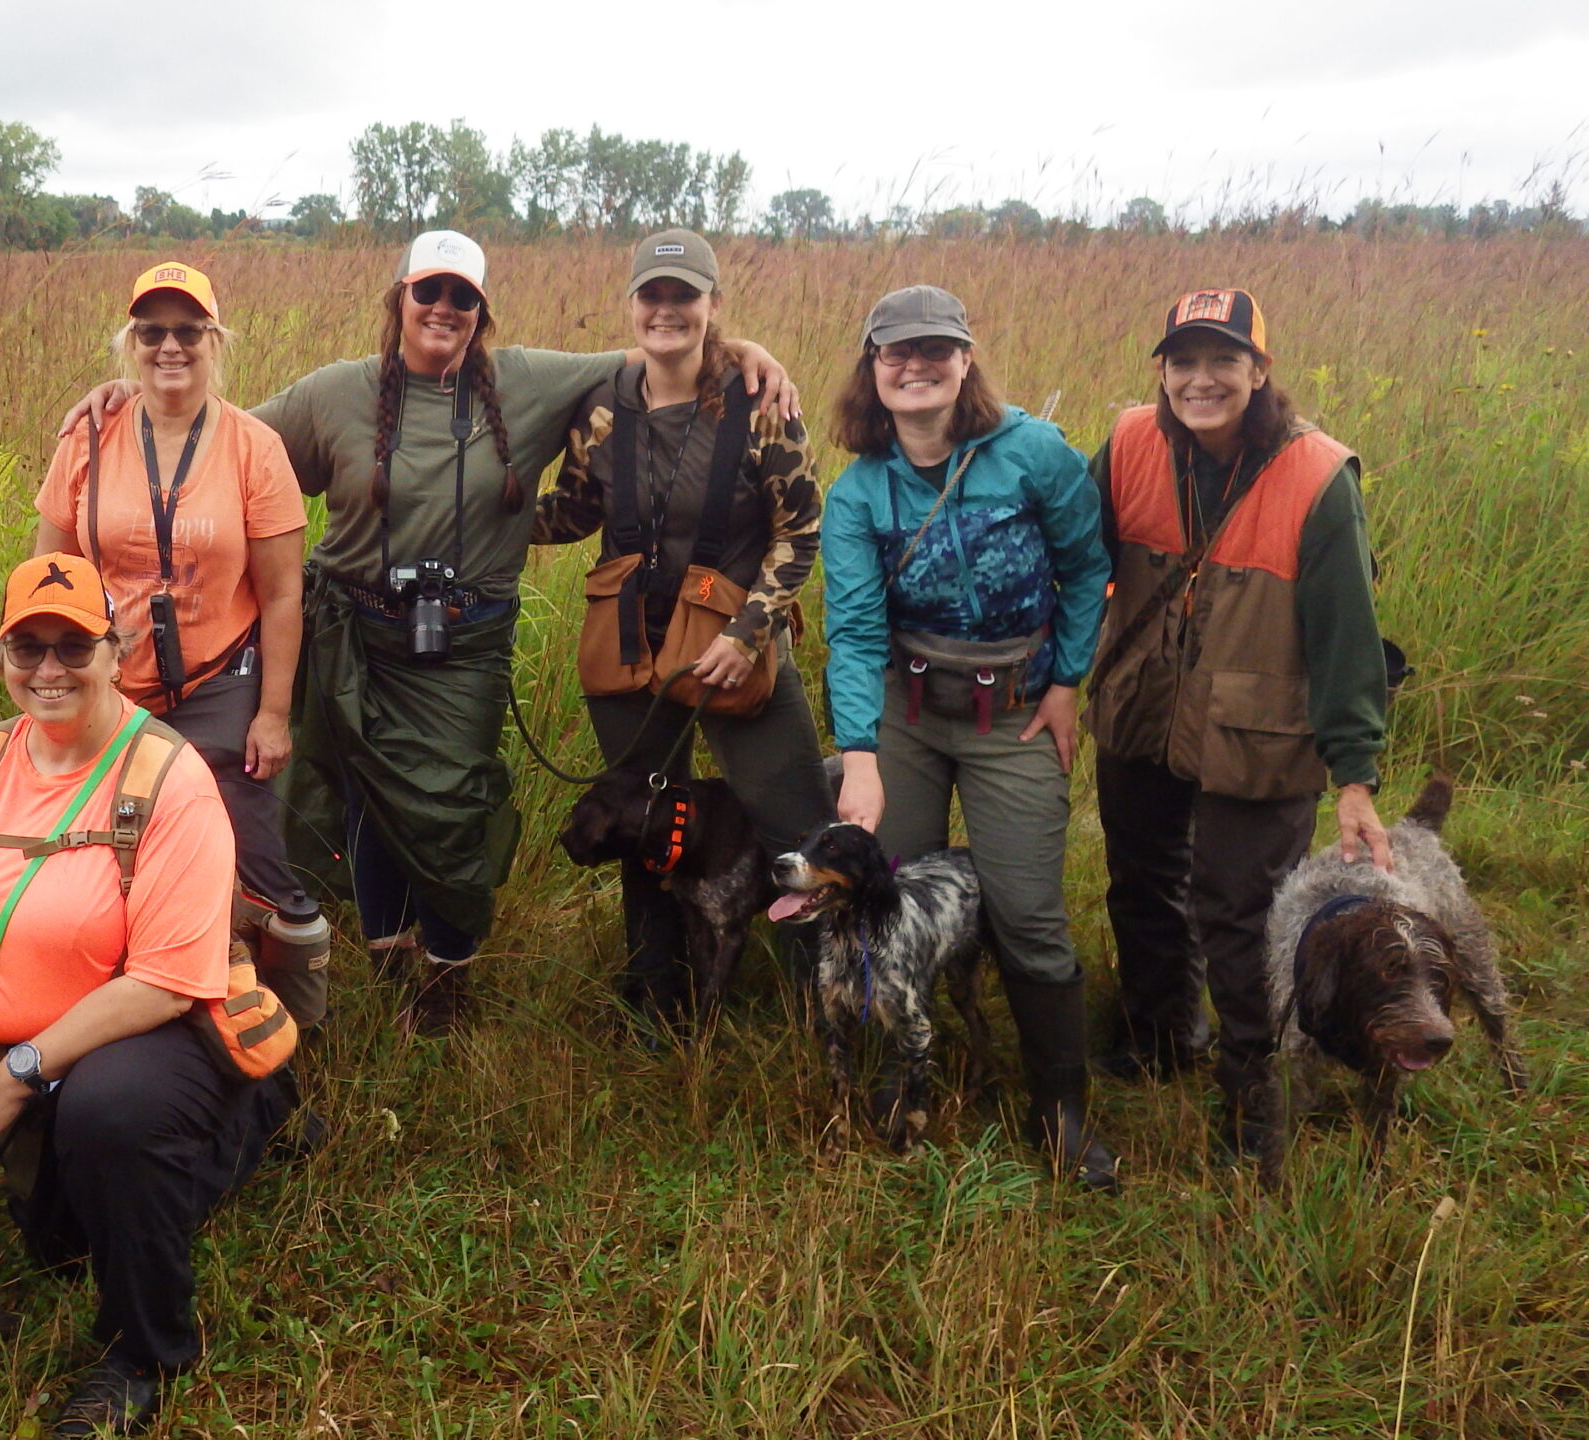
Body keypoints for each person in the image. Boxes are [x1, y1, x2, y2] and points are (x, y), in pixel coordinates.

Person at [70, 230, 797, 1034]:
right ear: (401, 298)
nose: (444, 308)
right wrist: (134, 390)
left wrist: (745, 351)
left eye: (463, 297)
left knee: (455, 810)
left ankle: (449, 972)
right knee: (366, 805)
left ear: (480, 312)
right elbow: (223, 437)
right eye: (429, 291)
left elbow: (654, 351)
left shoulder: (527, 380)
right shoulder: (335, 392)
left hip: (465, 643)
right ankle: (390, 960)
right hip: (352, 634)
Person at [0, 553, 290, 1439]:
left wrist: (20, 1072)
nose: (49, 669)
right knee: (61, 1248)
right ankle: (243, 1130)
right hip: (20, 1060)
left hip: (147, 1034)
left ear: (116, 653)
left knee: (109, 1115)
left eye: (74, 646)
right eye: (28, 648)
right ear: (2, 657)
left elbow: (164, 982)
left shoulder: (168, 779)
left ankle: (144, 1353)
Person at [819, 285, 1117, 1189]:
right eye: (896, 352)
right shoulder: (858, 492)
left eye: (935, 350)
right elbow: (854, 630)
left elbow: (1087, 567)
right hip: (905, 712)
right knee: (886, 898)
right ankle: (897, 1077)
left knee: (1026, 911)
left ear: (965, 359)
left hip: (1016, 709)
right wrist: (860, 757)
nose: (915, 365)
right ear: (873, 368)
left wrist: (1066, 682)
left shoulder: (1034, 453)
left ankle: (1058, 1111)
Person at [1086, 288, 1390, 1168]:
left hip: (1260, 733)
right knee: (1141, 884)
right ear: (1162, 373)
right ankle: (1158, 1035)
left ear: (1260, 371)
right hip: (1144, 710)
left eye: (1224, 359)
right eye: (1183, 361)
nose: (1201, 380)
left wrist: (1355, 778)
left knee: (1243, 914)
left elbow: (1346, 638)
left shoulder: (1319, 477)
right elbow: (1071, 556)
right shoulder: (1130, 444)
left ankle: (1258, 1094)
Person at [531, 229, 833, 1026]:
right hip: (629, 647)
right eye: (652, 295)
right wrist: (478, 510)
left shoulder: (762, 404)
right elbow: (575, 512)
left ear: (712, 305)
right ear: (631, 304)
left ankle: (826, 1011)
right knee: (641, 829)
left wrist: (747, 633)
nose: (666, 311)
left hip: (735, 652)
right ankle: (655, 1009)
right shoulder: (604, 406)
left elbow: (801, 533)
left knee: (798, 828)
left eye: (684, 296)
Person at [33, 261, 331, 997]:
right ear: (131, 343)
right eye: (153, 332)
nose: (171, 346)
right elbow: (50, 577)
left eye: (188, 331)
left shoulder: (254, 447)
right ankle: (120, 996)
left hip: (220, 682)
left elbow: (282, 594)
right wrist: (57, 684)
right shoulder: (88, 438)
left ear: (214, 340)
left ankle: (280, 1009)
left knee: (250, 856)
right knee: (105, 853)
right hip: (111, 689)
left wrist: (272, 714)